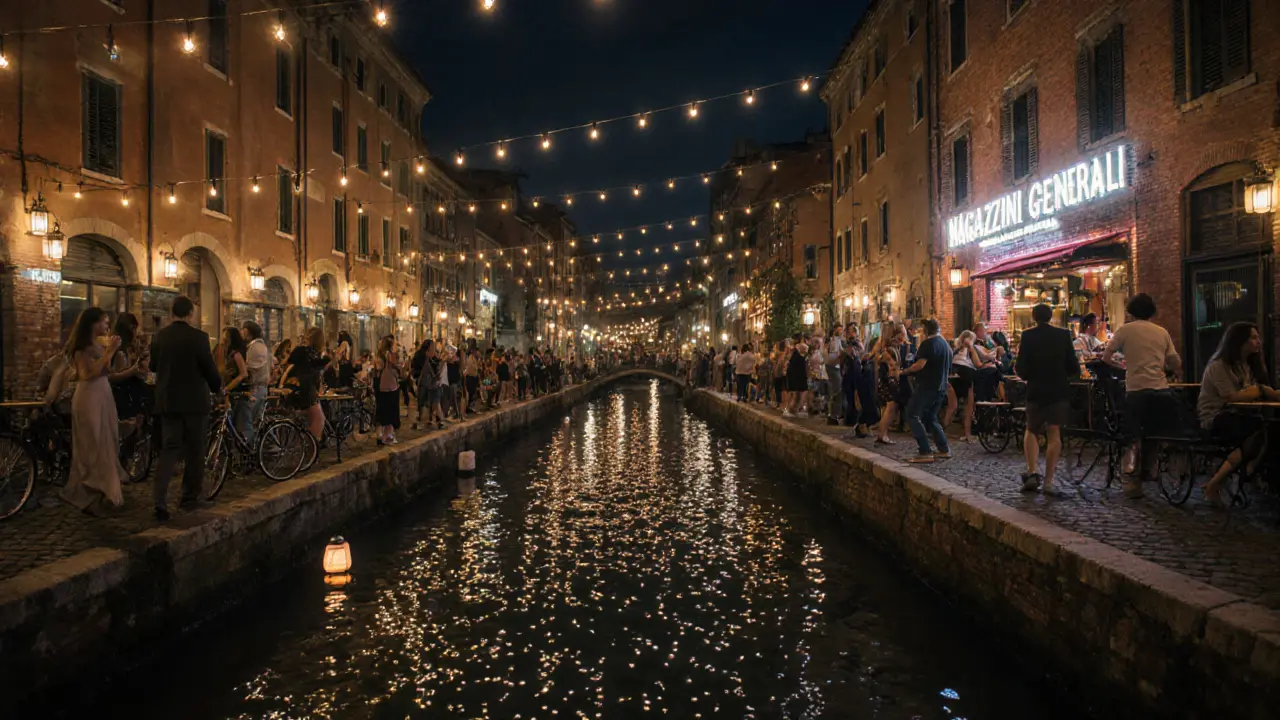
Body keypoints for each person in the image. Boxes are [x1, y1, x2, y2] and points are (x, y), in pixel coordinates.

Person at [149, 296, 223, 521]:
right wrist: (218, 388)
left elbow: (153, 366)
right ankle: (189, 498)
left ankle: (159, 500)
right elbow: (208, 368)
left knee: (169, 450)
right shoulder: (199, 337)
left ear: (172, 313)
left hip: (168, 402)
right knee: (195, 451)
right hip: (194, 402)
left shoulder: (160, 336)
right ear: (190, 314)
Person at [1103, 293, 1182, 499]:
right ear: (1152, 312)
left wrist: (1123, 366)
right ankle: (1150, 469)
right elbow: (1175, 362)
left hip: (1136, 389)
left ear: (1130, 311)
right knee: (1155, 432)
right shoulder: (1161, 332)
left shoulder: (1125, 330)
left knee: (1134, 434)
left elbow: (1106, 356)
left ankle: (1132, 476)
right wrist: (1163, 367)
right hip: (1160, 389)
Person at [1197, 322, 1278, 508]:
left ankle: (1246, 472)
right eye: (1253, 337)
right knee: (1259, 431)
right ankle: (1221, 481)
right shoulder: (1218, 366)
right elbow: (1232, 397)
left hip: (1242, 416)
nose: (1258, 341)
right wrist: (1260, 390)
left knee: (1267, 430)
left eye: (1258, 337)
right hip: (1216, 416)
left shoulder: (1248, 366)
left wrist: (1262, 391)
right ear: (1239, 341)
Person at [60, 308, 129, 515]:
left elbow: (107, 371)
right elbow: (87, 374)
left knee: (107, 442)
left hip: (103, 395)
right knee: (93, 443)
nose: (108, 325)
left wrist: (116, 354)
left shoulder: (99, 345)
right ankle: (89, 495)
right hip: (88, 397)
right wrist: (109, 352)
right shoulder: (82, 348)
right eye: (104, 321)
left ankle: (106, 494)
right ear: (92, 323)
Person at [1015, 304, 1081, 496]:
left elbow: (1021, 367)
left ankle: (1033, 470)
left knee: (1032, 429)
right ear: (1051, 316)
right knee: (1054, 433)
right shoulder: (1063, 335)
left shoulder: (1028, 336)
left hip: (1036, 389)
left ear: (1034, 317)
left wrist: (1027, 375)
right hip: (1058, 389)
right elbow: (1072, 365)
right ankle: (1049, 481)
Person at [900, 318, 952, 463]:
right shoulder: (945, 344)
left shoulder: (928, 344)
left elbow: (920, 365)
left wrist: (904, 371)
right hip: (941, 387)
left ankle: (925, 451)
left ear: (927, 330)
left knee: (912, 414)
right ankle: (944, 449)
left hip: (927, 386)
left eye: (923, 329)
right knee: (930, 417)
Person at [281, 327, 333, 440]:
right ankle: (309, 446)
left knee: (314, 418)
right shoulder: (315, 353)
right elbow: (319, 367)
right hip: (307, 388)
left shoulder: (301, 350)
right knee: (319, 419)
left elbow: (289, 362)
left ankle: (309, 446)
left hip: (299, 386)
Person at [874, 323, 908, 444]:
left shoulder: (884, 347)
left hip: (885, 380)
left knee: (889, 408)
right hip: (889, 381)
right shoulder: (891, 348)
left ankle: (882, 434)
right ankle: (882, 434)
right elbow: (893, 365)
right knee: (890, 408)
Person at [948, 331, 982, 442]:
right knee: (969, 406)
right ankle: (967, 434)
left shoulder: (955, 350)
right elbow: (978, 364)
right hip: (967, 375)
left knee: (952, 406)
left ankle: (942, 431)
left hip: (954, 376)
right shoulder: (970, 349)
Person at [241, 321, 271, 445]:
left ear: (247, 331)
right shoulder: (260, 346)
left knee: (247, 419)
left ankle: (251, 448)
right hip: (260, 387)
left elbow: (250, 367)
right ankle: (267, 445)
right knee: (257, 420)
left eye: (243, 330)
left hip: (256, 388)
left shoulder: (255, 347)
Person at [374, 336, 402, 444]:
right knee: (391, 412)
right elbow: (398, 366)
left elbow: (377, 369)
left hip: (381, 385)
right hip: (391, 385)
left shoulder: (379, 356)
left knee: (382, 411)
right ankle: (388, 436)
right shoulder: (391, 355)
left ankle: (380, 435)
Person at [823, 326, 845, 426]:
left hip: (834, 366)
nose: (842, 331)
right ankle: (833, 416)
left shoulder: (837, 340)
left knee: (836, 391)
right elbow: (836, 354)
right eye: (840, 330)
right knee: (838, 391)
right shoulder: (834, 340)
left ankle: (834, 415)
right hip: (833, 366)